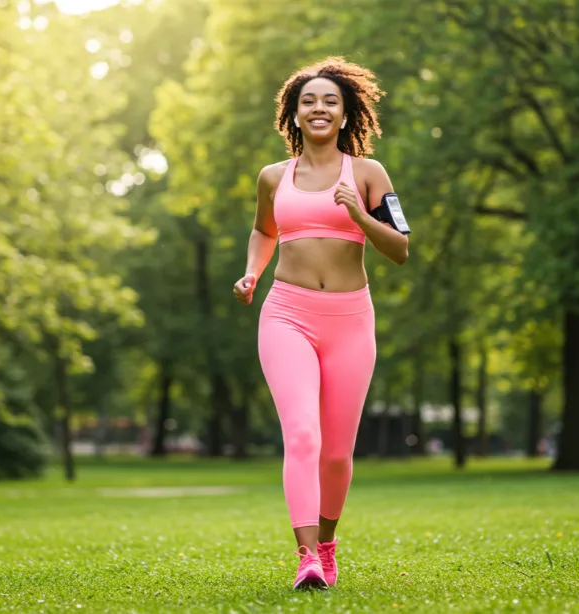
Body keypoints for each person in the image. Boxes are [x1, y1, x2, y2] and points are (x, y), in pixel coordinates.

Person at [232, 57, 410, 590]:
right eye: (308, 100)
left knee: (336, 452)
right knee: (303, 435)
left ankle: (328, 547)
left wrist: (359, 215)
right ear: (293, 112)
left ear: (346, 112)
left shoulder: (369, 174)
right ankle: (306, 556)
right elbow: (264, 233)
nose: (319, 108)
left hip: (351, 320)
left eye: (330, 100)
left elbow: (400, 249)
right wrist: (250, 274)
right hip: (286, 313)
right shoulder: (273, 178)